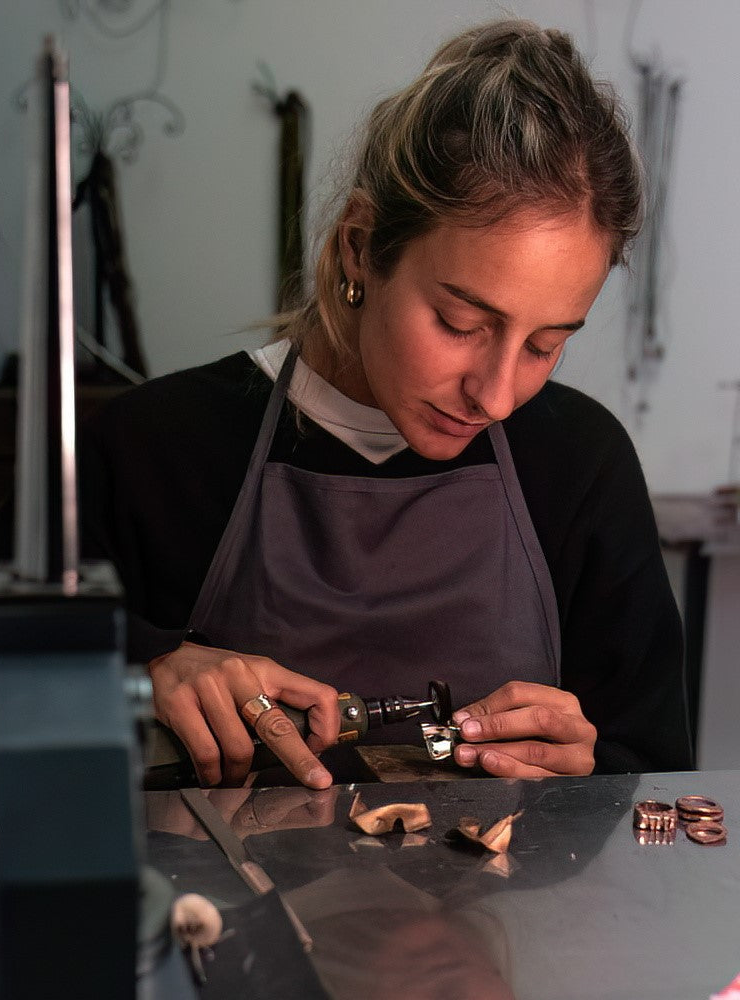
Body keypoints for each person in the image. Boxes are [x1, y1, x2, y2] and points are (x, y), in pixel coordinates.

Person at [80, 19, 693, 790]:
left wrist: (592, 777)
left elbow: (655, 776)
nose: (496, 394)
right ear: (360, 246)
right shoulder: (155, 449)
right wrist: (145, 670)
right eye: (461, 324)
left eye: (545, 345)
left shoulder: (580, 467)